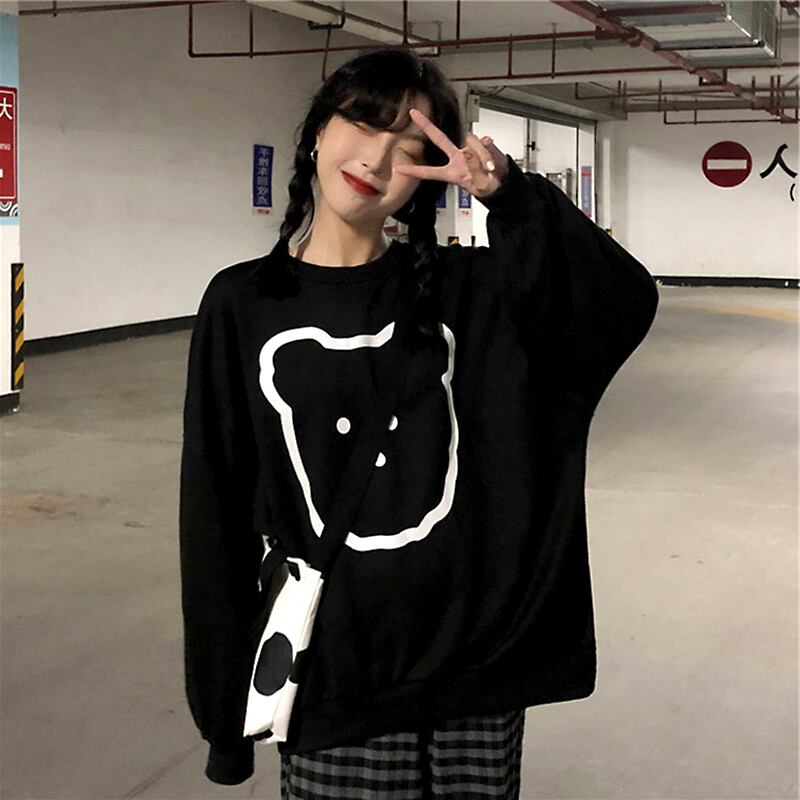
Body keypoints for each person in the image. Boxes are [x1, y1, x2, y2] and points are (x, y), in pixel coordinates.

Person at [178, 47, 659, 798]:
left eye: (407, 147)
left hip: (476, 671)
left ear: (426, 177)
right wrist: (223, 711)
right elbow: (215, 507)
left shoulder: (470, 292)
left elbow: (616, 304)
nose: (375, 159)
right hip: (337, 672)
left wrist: (510, 195)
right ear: (317, 131)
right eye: (362, 124)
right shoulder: (244, 304)